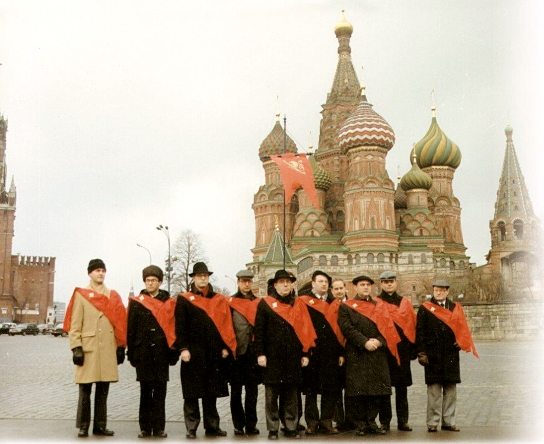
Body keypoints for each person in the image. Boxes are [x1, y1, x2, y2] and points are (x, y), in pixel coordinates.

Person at [64, 259, 127, 438]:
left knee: (103, 390)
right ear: (90, 273)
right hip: (88, 348)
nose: (101, 273)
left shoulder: (113, 295)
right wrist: (76, 347)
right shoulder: (81, 295)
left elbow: (120, 324)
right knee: (85, 390)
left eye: (103, 270)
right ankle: (83, 426)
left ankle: (100, 425)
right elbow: (75, 325)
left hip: (107, 348)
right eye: (97, 270)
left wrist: (121, 346)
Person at [173, 262, 236, 439]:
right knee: (192, 393)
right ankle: (191, 427)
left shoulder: (219, 299)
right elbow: (180, 326)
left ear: (208, 278)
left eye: (205, 276)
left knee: (211, 392)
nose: (202, 278)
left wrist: (225, 347)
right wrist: (183, 348)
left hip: (214, 352)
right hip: (192, 353)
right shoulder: (184, 299)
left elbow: (226, 324)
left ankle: (212, 426)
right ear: (193, 278)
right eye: (199, 275)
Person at [254, 269, 316, 440]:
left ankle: (290, 426)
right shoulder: (265, 304)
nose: (286, 284)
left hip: (293, 357)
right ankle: (273, 428)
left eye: (288, 282)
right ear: (275, 285)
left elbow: (306, 330)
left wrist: (306, 353)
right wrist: (260, 353)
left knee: (291, 395)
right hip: (272, 357)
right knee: (271, 396)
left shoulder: (298, 304)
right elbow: (258, 331)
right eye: (282, 282)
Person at [338, 275, 400, 436]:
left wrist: (379, 342)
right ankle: (360, 424)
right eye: (362, 284)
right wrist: (364, 342)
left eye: (368, 285)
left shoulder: (379, 305)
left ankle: (372, 421)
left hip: (377, 353)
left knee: (375, 390)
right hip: (357, 353)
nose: (366, 287)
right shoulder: (346, 307)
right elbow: (347, 329)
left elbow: (387, 328)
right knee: (359, 390)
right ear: (355, 288)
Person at [416, 279, 479, 433]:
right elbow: (419, 332)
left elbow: (462, 327)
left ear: (447, 291)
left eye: (443, 290)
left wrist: (461, 341)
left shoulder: (455, 307)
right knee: (434, 391)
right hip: (432, 355)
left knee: (450, 391)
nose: (440, 292)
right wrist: (421, 353)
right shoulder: (424, 309)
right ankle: (432, 422)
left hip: (450, 354)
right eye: (437, 290)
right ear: (433, 290)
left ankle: (448, 421)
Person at [127, 265, 179, 438]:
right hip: (143, 354)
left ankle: (159, 428)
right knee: (145, 392)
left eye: (153, 280)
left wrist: (174, 352)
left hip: (162, 354)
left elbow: (173, 328)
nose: (150, 283)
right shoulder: (136, 302)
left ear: (160, 282)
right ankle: (144, 427)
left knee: (160, 392)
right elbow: (131, 329)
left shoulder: (169, 302)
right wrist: (131, 353)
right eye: (147, 280)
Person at [299, 270, 344, 435]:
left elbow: (339, 331)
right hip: (312, 351)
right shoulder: (303, 302)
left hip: (331, 352)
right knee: (311, 388)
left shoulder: (335, 303)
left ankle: (326, 421)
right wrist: (304, 352)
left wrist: (341, 352)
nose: (324, 284)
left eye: (326, 282)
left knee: (330, 388)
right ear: (313, 283)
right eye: (320, 281)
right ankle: (311, 422)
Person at [376, 270, 416, 432]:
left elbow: (413, 325)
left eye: (391, 281)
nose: (389, 284)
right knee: (384, 389)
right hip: (384, 351)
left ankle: (403, 421)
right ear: (381, 284)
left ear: (396, 283)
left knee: (401, 388)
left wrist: (414, 349)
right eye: (385, 282)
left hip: (402, 350)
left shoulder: (404, 302)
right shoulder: (376, 302)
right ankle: (385, 421)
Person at [227, 269, 261, 436]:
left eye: (249, 281)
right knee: (236, 392)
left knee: (252, 392)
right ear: (238, 282)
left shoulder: (258, 302)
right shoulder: (230, 302)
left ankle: (251, 424)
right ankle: (238, 425)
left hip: (252, 353)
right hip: (236, 354)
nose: (246, 284)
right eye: (243, 281)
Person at [330, 279, 353, 431]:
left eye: (341, 288)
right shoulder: (329, 307)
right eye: (336, 289)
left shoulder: (352, 305)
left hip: (351, 351)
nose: (338, 291)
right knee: (336, 388)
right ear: (332, 291)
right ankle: (339, 420)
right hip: (335, 352)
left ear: (345, 289)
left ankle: (351, 420)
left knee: (351, 388)